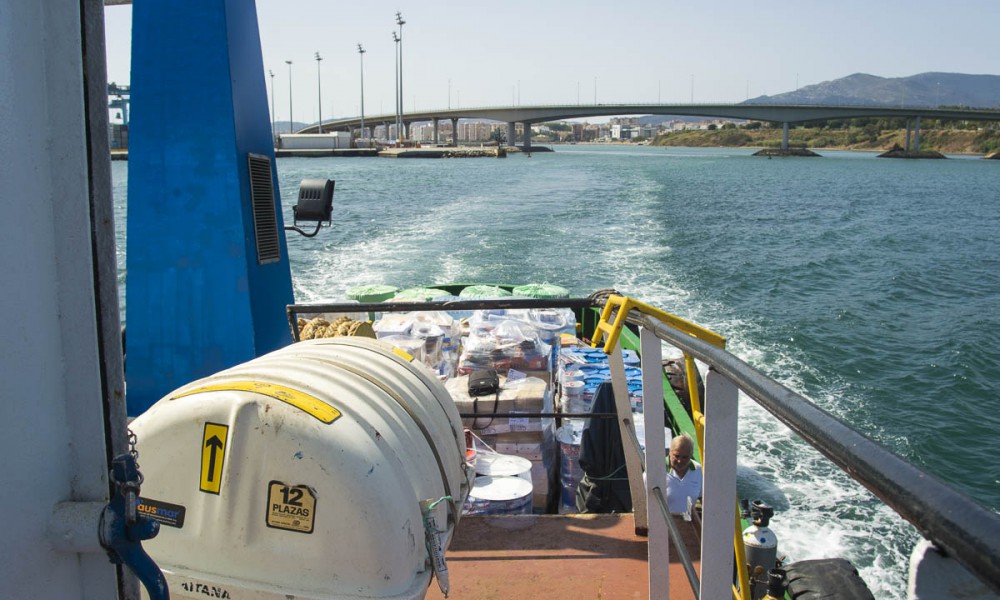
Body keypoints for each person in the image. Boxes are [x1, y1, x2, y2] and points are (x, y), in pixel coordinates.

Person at [666, 433, 702, 515]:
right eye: (677, 456)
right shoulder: (657, 470)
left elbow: (702, 497)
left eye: (685, 457)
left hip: (688, 523)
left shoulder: (698, 470)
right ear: (669, 452)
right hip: (662, 524)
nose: (679, 461)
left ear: (691, 455)